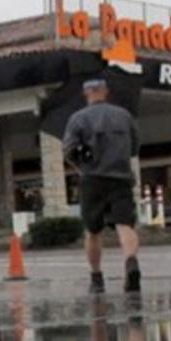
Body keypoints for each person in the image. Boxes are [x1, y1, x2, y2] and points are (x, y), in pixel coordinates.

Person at [63, 78, 141, 294]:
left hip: (93, 178)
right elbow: (134, 149)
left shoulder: (77, 119)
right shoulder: (124, 116)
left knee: (92, 230)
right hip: (121, 177)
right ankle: (131, 262)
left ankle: (96, 277)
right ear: (105, 91)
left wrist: (81, 168)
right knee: (125, 224)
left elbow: (69, 151)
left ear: (86, 93)